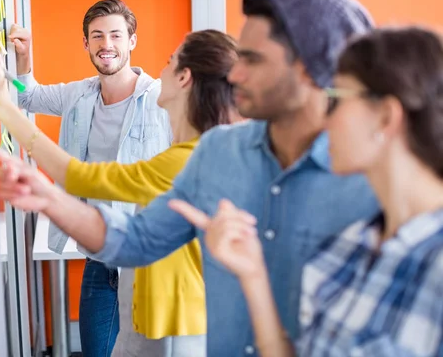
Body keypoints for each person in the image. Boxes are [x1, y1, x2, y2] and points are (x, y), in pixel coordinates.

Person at [0, 0, 381, 356]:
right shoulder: (217, 151)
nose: (236, 75)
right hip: (135, 286)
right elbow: (135, 240)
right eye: (98, 35)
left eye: (252, 59)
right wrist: (45, 194)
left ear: (307, 70)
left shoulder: (367, 180)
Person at [177, 27, 443, 356]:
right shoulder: (346, 248)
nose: (322, 120)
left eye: (336, 100)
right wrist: (254, 276)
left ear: (386, 116)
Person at [0, 29, 239, 356]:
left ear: (184, 77)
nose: (160, 71)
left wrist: (4, 108)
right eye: (98, 36)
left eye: (168, 62)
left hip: (178, 326)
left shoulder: (186, 161)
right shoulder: (200, 151)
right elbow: (136, 238)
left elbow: (79, 177)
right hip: (157, 311)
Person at [8, 0, 172, 356]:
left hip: (150, 265)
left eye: (115, 35)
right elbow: (28, 96)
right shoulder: (77, 96)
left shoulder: (163, 99)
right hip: (100, 260)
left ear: (132, 41)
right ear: (86, 44)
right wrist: (23, 60)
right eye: (97, 36)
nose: (106, 45)